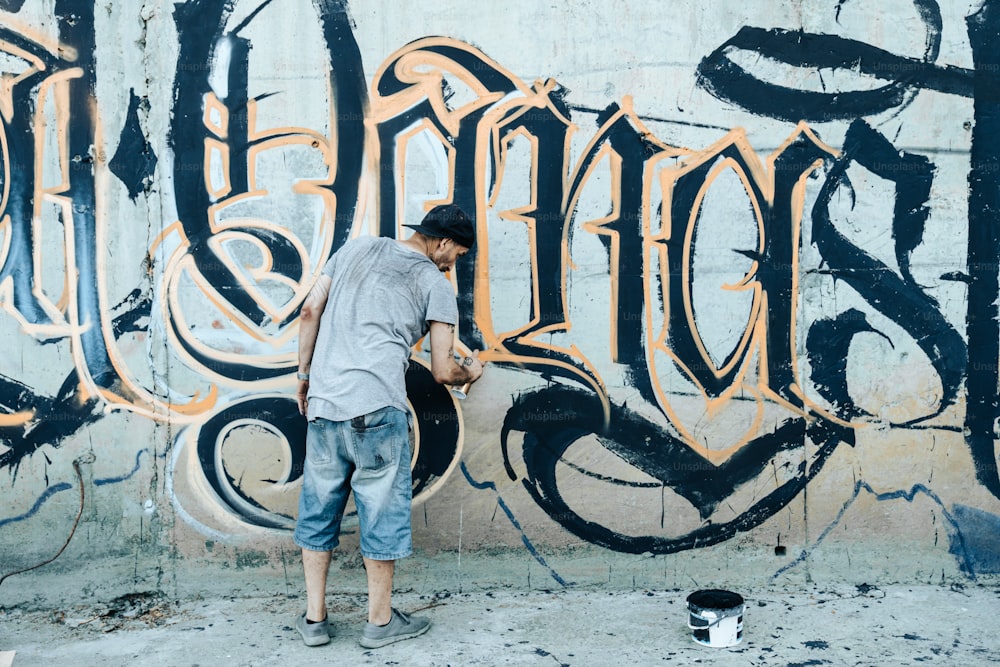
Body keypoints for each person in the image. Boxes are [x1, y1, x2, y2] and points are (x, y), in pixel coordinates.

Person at [291, 204, 485, 649]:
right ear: (443, 242)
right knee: (381, 513)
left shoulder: (356, 248)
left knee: (319, 508)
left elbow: (309, 312)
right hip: (377, 409)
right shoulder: (434, 284)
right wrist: (469, 374)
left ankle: (315, 620)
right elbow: (441, 369)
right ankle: (379, 624)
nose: (454, 263)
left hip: (324, 404)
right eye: (457, 254)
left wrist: (304, 378)